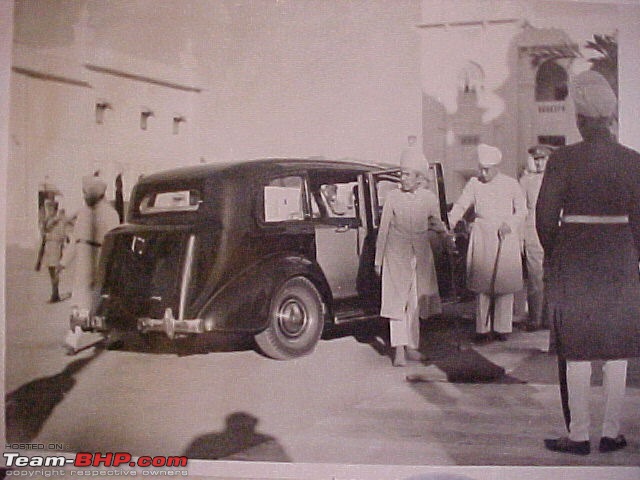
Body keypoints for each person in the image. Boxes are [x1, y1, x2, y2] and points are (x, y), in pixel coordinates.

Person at [538, 70, 640, 455]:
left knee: (576, 349)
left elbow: (545, 220)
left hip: (575, 261)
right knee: (617, 350)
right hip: (620, 261)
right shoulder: (634, 162)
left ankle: (578, 435)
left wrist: (558, 254)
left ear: (580, 120)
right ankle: (612, 433)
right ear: (611, 118)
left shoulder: (562, 160)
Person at [448, 143, 526, 343]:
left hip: (504, 236)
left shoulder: (510, 184)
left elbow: (521, 210)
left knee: (503, 285)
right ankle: (482, 329)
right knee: (482, 285)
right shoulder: (474, 184)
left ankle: (502, 328)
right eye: (481, 168)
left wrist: (510, 224)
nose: (483, 173)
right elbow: (461, 204)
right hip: (482, 236)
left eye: (487, 169)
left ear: (496, 167)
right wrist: (450, 221)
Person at [374, 152, 444, 367]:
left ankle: (412, 346)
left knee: (415, 301)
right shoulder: (393, 198)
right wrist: (378, 260)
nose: (402, 178)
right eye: (402, 174)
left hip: (421, 255)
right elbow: (383, 229)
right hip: (396, 254)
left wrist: (446, 238)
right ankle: (399, 350)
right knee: (397, 302)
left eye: (407, 175)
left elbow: (436, 224)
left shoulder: (429, 198)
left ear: (419, 178)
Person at [61, 174, 120, 353]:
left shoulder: (111, 214)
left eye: (86, 192)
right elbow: (76, 240)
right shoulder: (84, 213)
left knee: (103, 300)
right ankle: (74, 337)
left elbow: (114, 241)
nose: (85, 196)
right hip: (83, 260)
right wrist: (64, 261)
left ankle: (113, 334)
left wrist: (111, 264)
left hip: (100, 259)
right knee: (80, 301)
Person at [519, 144, 553, 331]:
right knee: (534, 277)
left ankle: (550, 318)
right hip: (532, 231)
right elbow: (522, 210)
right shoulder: (526, 181)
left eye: (543, 159)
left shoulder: (557, 179)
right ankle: (535, 318)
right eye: (537, 159)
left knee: (552, 276)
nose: (539, 163)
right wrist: (522, 237)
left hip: (554, 230)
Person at [41, 201, 70, 302]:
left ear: (55, 209)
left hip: (55, 246)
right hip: (49, 247)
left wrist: (52, 224)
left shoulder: (59, 221)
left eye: (51, 209)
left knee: (55, 270)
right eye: (48, 209)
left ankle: (55, 294)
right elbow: (44, 232)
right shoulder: (48, 220)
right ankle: (55, 292)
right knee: (51, 270)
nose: (49, 211)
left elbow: (62, 235)